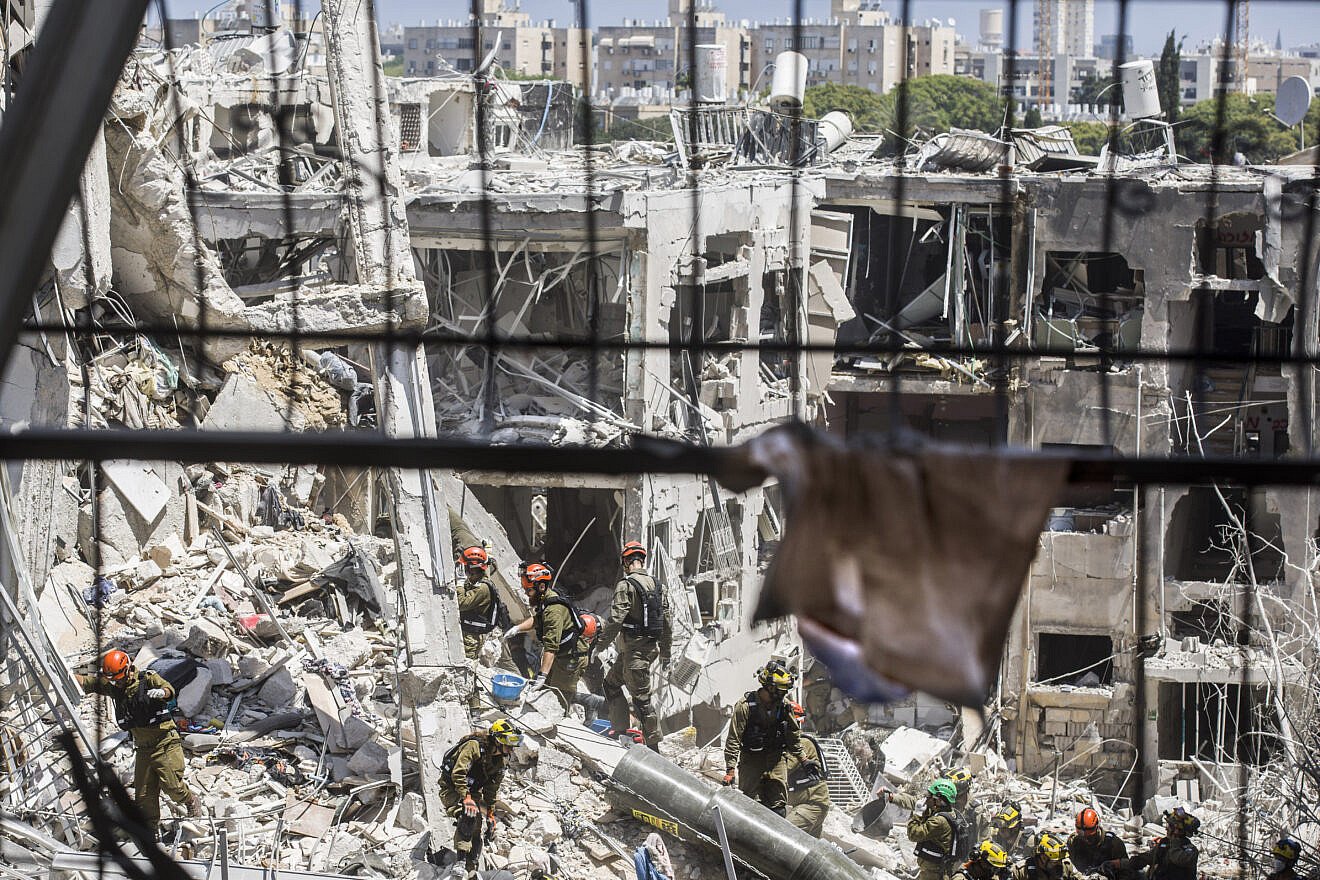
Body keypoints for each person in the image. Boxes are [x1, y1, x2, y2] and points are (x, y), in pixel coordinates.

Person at [76, 649, 202, 836]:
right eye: (114, 680)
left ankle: (191, 800)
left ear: (127, 669)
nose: (117, 683)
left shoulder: (148, 679)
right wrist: (61, 674)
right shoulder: (115, 687)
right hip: (143, 748)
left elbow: (169, 691)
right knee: (144, 796)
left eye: (119, 678)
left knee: (172, 786)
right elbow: (88, 683)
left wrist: (162, 693)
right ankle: (150, 833)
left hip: (164, 742)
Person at [598, 541, 672, 750]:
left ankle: (654, 749)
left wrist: (600, 645)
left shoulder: (626, 585)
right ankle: (621, 732)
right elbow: (668, 623)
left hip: (635, 653)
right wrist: (666, 652)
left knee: (642, 701)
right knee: (610, 683)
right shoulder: (659, 586)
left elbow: (615, 619)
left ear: (626, 562)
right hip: (642, 651)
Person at [722, 660, 812, 816]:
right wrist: (730, 770)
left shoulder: (784, 706)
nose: (784, 695)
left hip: (776, 759)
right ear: (770, 687)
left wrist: (804, 760)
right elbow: (733, 739)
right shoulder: (745, 706)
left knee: (778, 807)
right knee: (750, 806)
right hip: (751, 760)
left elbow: (793, 736)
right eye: (781, 690)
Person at [439, 719, 521, 878]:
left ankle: (472, 867)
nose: (511, 749)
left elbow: (491, 789)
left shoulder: (500, 761)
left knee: (478, 825)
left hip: (472, 790)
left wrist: (491, 813)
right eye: (509, 744)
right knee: (468, 815)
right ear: (498, 739)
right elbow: (458, 773)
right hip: (452, 788)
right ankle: (460, 863)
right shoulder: (474, 747)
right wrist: (466, 798)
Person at [504, 562, 592, 711]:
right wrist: (517, 628)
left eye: (529, 590)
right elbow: (538, 619)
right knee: (546, 690)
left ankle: (573, 713)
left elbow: (551, 646)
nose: (526, 593)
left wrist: (542, 675)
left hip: (571, 657)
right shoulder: (546, 600)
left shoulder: (554, 610)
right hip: (561, 653)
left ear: (541, 587)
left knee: (559, 697)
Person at [889, 779, 962, 880]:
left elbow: (913, 834)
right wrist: (892, 797)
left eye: (930, 796)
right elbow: (913, 802)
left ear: (939, 800)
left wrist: (917, 814)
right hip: (930, 869)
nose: (926, 798)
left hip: (933, 873)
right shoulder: (943, 810)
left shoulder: (939, 821)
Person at [1106, 808, 1199, 880]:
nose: (1166, 829)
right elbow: (1147, 858)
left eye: (1170, 826)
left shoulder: (1190, 851)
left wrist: (1175, 839)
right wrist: (1120, 863)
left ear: (1177, 830)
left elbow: (1176, 858)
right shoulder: (1164, 843)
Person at [784, 702, 831, 838]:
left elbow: (783, 771)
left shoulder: (802, 744)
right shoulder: (791, 744)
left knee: (783, 835)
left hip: (811, 805)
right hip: (808, 804)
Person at [457, 546, 504, 662]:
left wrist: (459, 584)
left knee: (465, 665)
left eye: (466, 567)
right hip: (470, 632)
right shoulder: (478, 581)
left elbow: (462, 603)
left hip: (471, 636)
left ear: (473, 568)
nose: (464, 570)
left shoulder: (482, 588)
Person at [1068, 807, 1127, 875]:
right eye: (1082, 837)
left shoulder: (1113, 844)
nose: (1086, 840)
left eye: (1090, 837)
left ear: (1097, 827)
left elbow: (1127, 870)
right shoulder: (1074, 842)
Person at [943, 767, 981, 863]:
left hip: (966, 861)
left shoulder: (977, 811)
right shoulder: (948, 804)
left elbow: (983, 842)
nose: (955, 799)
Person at [1011, 834, 1081, 880]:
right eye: (1055, 862)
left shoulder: (1066, 866)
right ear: (1043, 858)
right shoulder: (1021, 871)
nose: (1060, 864)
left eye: (1060, 860)